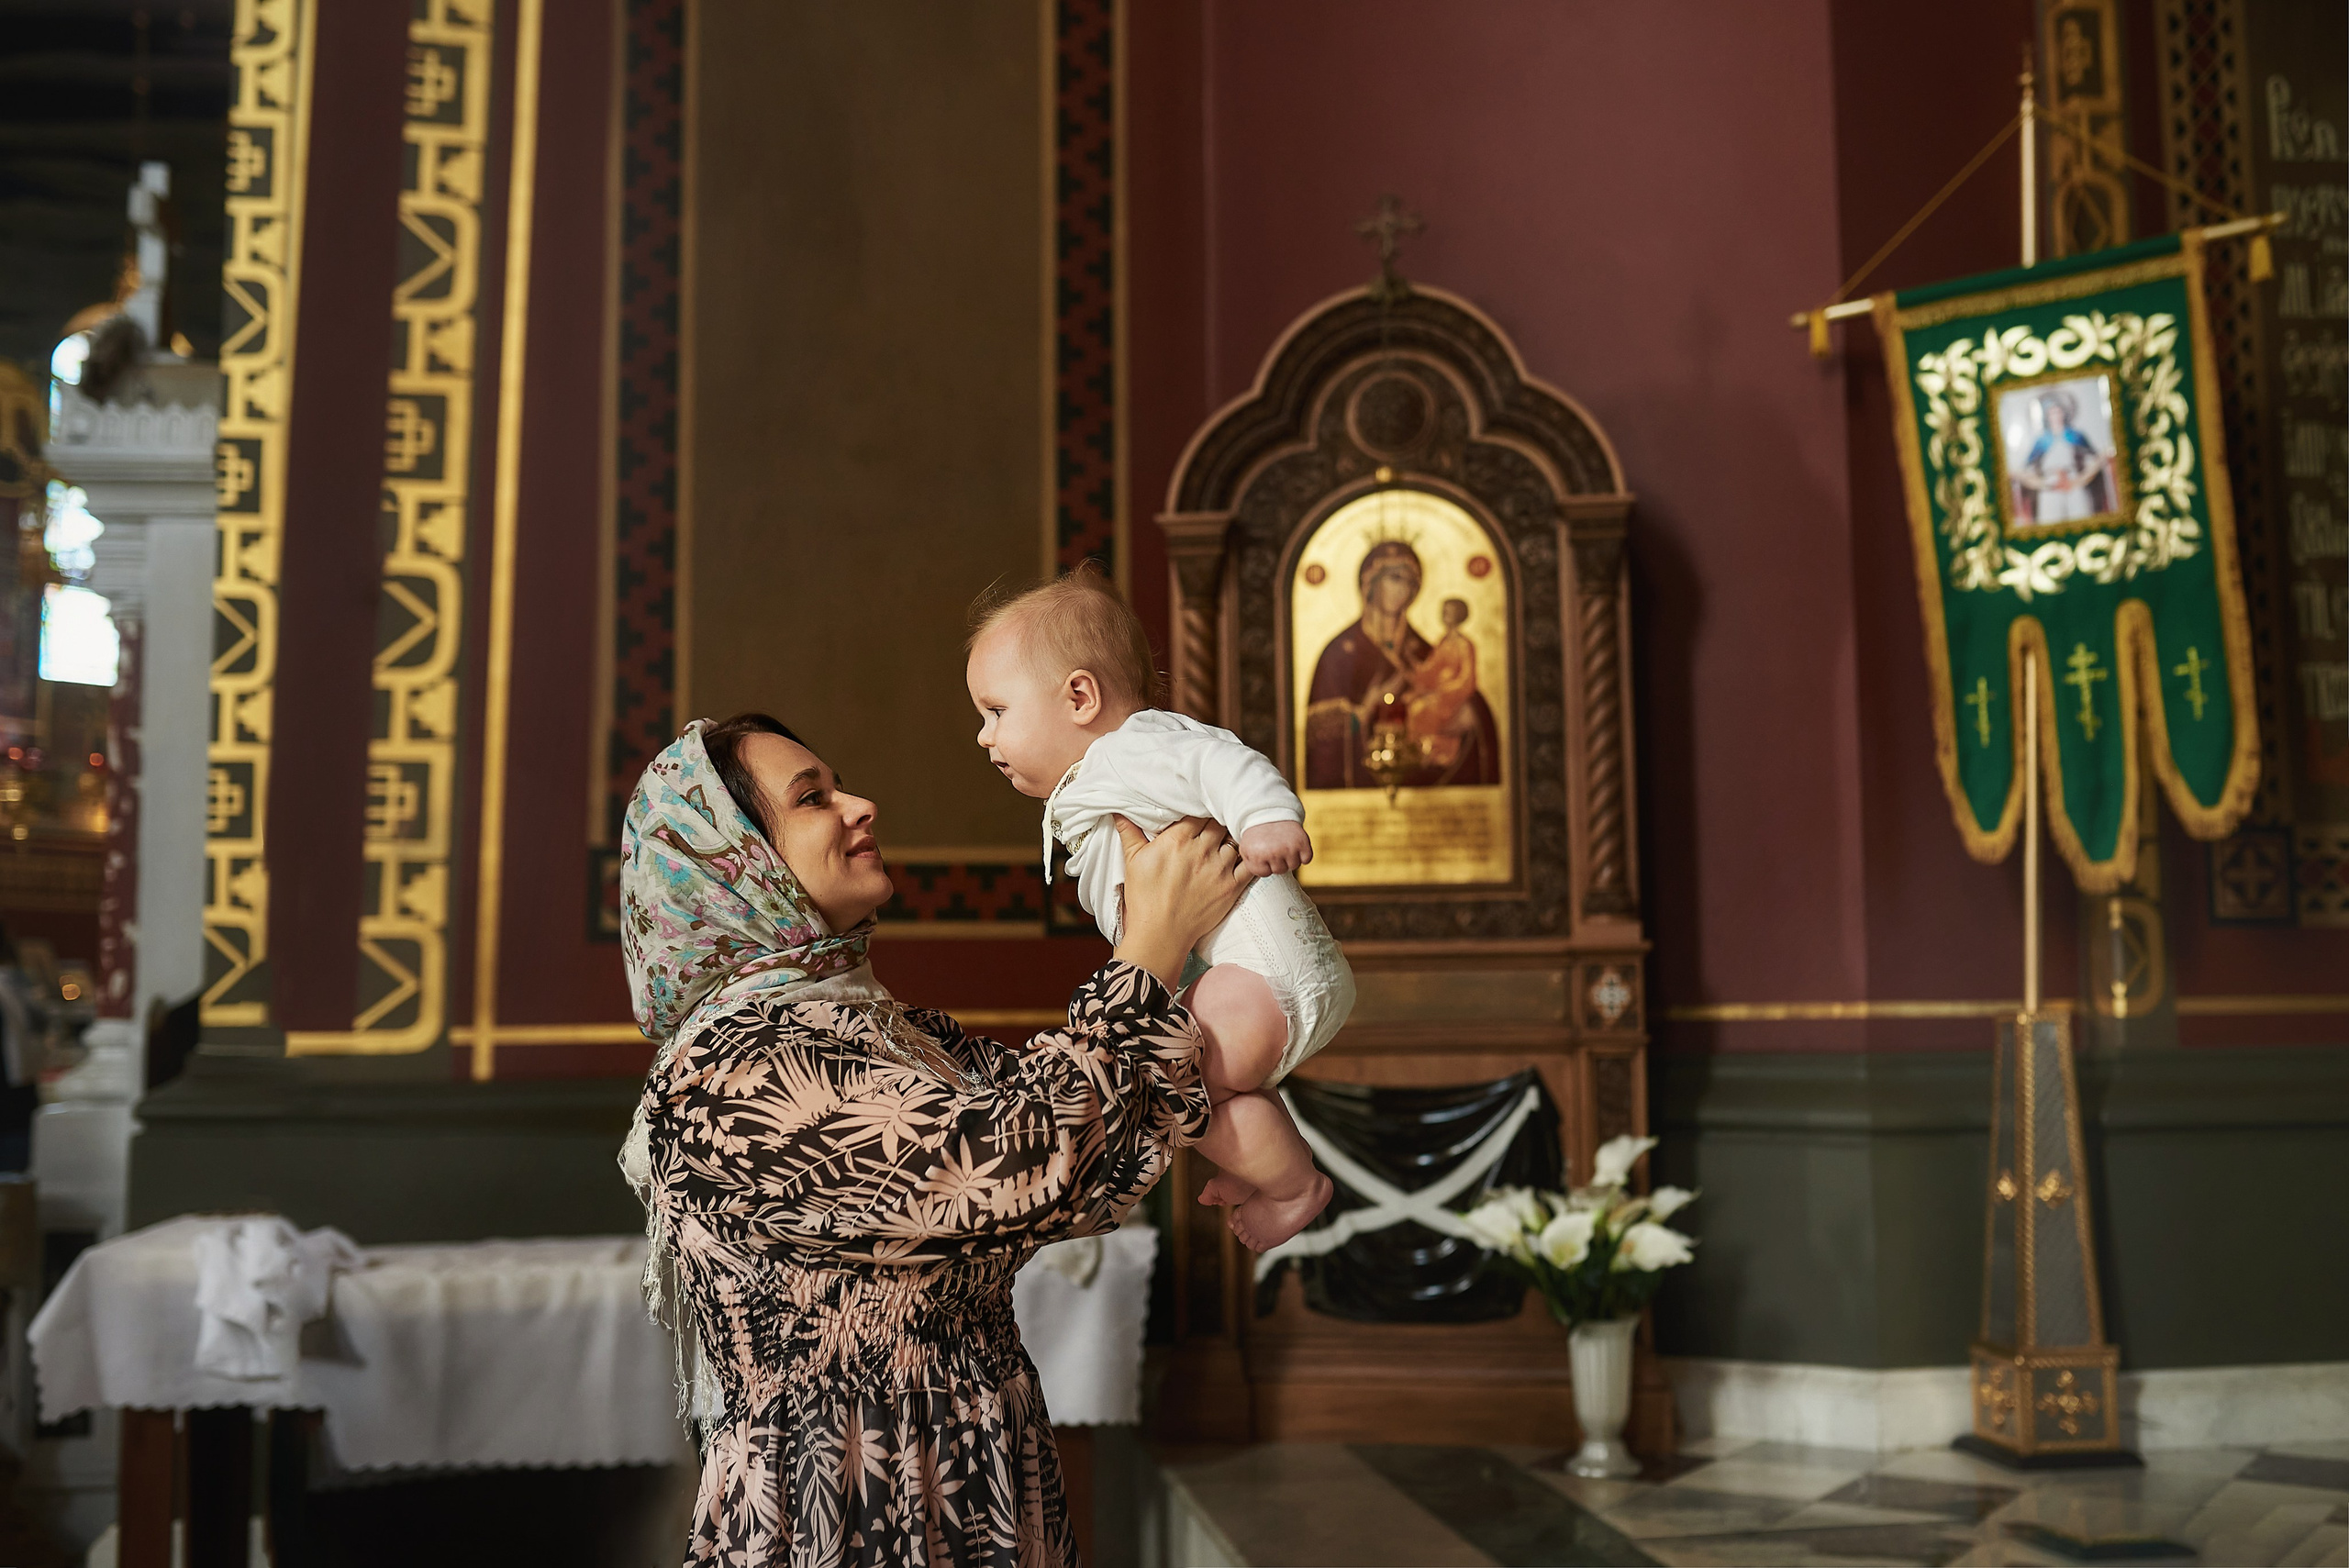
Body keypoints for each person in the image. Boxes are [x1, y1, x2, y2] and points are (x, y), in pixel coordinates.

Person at [618, 714, 1249, 1566]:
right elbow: (1017, 1162)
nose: (861, 806)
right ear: (734, 864)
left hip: (982, 1477)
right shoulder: (730, 1075)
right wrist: (1149, 947)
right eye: (813, 798)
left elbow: (1087, 1169)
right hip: (846, 1504)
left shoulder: (899, 1035)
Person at [966, 567, 1351, 1251]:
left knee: (1168, 1083)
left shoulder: (1132, 747)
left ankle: (1292, 1185)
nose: (983, 737)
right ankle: (1258, 1164)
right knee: (1184, 1089)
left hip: (1265, 972)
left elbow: (1219, 762)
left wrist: (1265, 819)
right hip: (1253, 980)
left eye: (996, 711)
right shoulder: (1102, 775)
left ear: (1080, 695)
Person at [1302, 539, 1500, 789]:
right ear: (1370, 583)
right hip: (1359, 792)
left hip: (1425, 788)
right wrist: (1363, 712)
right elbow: (1320, 737)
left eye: (1410, 583)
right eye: (1394, 578)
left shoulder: (1426, 652)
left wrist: (1463, 715)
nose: (1402, 590)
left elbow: (1471, 707)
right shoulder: (1339, 654)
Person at [1403, 596, 1480, 775]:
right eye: (1443, 612)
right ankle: (1419, 752)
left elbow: (1466, 680)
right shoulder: (1443, 642)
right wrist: (1412, 663)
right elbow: (1431, 670)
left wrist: (1441, 693)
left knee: (1420, 709)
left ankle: (1437, 753)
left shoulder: (1464, 645)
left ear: (1459, 616)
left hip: (1451, 697)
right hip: (1437, 693)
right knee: (1409, 701)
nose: (1444, 615)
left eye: (1448, 612)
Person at [2013, 387, 2113, 523]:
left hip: (2073, 485)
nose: (2055, 416)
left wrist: (2077, 479)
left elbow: (2094, 459)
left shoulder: (2076, 436)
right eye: (2052, 413)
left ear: (2064, 413)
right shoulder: (2042, 441)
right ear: (2047, 416)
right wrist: (2045, 482)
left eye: (2058, 412)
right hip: (2049, 489)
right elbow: (2027, 468)